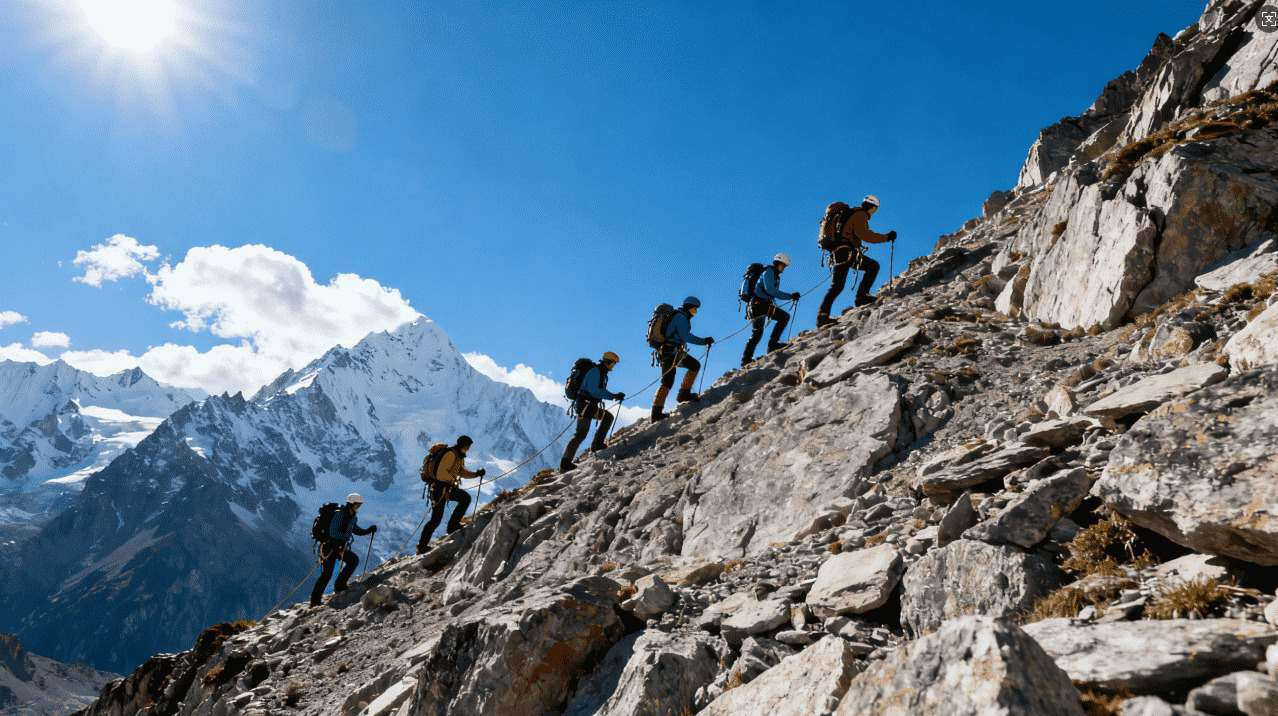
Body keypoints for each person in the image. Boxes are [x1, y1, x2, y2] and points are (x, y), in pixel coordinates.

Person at [817, 195, 897, 327]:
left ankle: (822, 316)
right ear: (872, 207)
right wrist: (887, 237)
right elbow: (865, 234)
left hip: (838, 251)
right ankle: (861, 297)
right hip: (846, 251)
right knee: (872, 266)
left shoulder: (850, 213)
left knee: (837, 286)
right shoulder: (860, 215)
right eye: (875, 209)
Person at [416, 435, 486, 554]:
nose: (468, 449)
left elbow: (461, 471)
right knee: (436, 519)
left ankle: (452, 526)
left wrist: (476, 474)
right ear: (464, 445)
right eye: (468, 446)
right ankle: (423, 545)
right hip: (440, 489)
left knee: (464, 499)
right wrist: (453, 479)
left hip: (445, 488)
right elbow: (440, 474)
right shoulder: (451, 455)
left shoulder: (458, 455)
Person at [560, 351, 625, 472]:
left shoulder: (600, 372)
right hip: (585, 405)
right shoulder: (596, 371)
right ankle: (566, 462)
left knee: (605, 419)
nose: (613, 366)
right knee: (581, 433)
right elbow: (594, 390)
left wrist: (613, 395)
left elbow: (595, 390)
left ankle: (596, 445)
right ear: (609, 362)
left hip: (587, 405)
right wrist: (613, 396)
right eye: (614, 363)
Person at [652, 297, 714, 422]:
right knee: (667, 381)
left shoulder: (679, 316)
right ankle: (657, 413)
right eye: (694, 309)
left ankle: (683, 394)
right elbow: (686, 336)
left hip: (671, 351)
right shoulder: (681, 317)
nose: (694, 313)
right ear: (688, 307)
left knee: (693, 366)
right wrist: (704, 341)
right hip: (671, 352)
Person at [310, 492, 376, 606]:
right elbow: (333, 531)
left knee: (353, 560)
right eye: (357, 505)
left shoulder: (352, 517)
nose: (358, 507)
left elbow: (355, 529)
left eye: (359, 505)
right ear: (352, 504)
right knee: (327, 574)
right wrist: (345, 536)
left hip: (338, 547)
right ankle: (315, 602)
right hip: (329, 548)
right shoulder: (340, 514)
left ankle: (340, 585)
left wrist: (368, 530)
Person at [742, 253, 801, 366]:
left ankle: (772, 345)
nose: (784, 268)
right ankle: (746, 360)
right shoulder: (768, 272)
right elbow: (771, 291)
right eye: (783, 265)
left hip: (763, 305)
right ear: (778, 263)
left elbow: (771, 293)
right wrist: (790, 296)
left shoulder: (775, 275)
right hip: (758, 305)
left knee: (783, 317)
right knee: (757, 333)